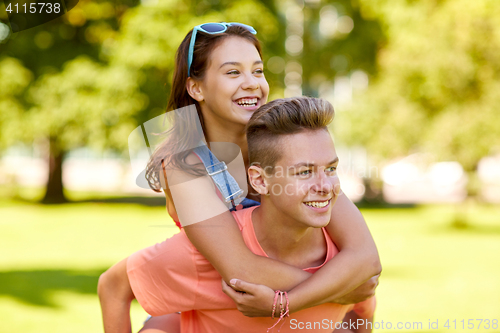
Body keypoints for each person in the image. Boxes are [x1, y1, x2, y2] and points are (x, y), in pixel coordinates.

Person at [98, 23, 381, 332]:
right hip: (206, 292)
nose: (251, 83)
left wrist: (312, 296)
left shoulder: (283, 142)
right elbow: (241, 268)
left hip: (274, 295)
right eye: (233, 73)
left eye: (257, 72)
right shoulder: (184, 165)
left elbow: (363, 253)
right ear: (196, 88)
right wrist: (340, 289)